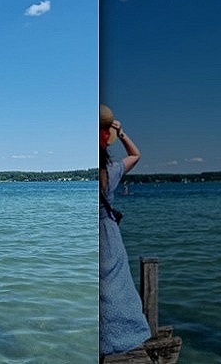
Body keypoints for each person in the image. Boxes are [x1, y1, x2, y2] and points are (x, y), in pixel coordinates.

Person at [98, 104, 150, 360]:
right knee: (115, 285)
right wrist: (122, 132)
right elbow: (135, 155)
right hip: (107, 238)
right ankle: (121, 338)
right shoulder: (109, 173)